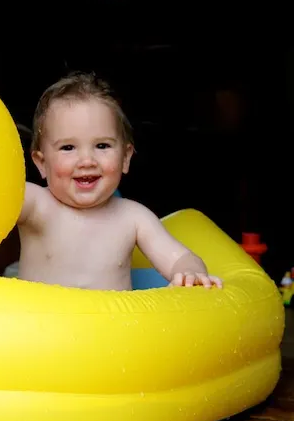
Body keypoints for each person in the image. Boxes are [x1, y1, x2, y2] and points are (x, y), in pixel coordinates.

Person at [15, 72, 223, 291]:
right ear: (41, 162)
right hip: (45, 323)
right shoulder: (35, 204)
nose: (87, 161)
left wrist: (190, 272)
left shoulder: (133, 218)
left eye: (102, 146)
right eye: (68, 148)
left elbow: (180, 258)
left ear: (125, 158)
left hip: (112, 325)